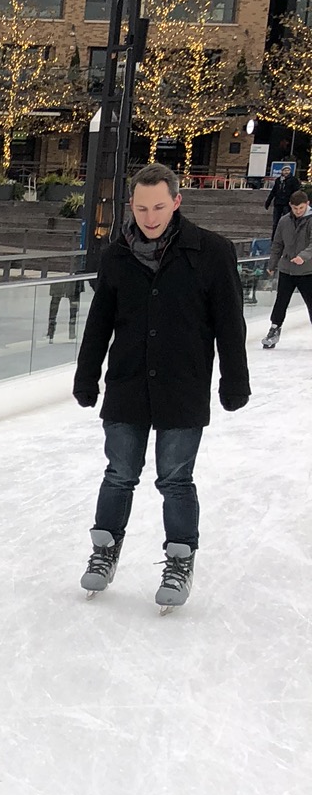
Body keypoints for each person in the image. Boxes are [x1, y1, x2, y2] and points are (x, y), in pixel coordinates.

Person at [74, 163, 249, 609]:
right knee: (119, 474)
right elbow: (99, 324)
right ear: (130, 206)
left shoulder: (211, 252)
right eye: (140, 207)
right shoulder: (116, 256)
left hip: (182, 385)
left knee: (175, 479)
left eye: (158, 207)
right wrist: (86, 375)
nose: (149, 217)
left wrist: (235, 379)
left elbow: (230, 325)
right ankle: (104, 551)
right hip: (128, 384)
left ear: (176, 202)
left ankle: (179, 559)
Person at [262, 186, 312, 347]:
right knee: (281, 301)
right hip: (287, 269)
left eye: (301, 208)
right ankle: (274, 329)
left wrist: (303, 257)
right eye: (295, 208)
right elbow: (277, 244)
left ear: (307, 204)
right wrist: (272, 264)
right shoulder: (284, 221)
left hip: (308, 271)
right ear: (290, 206)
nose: (298, 211)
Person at [263, 164, 301, 238]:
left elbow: (296, 191)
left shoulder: (293, 180)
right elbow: (273, 191)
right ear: (282, 171)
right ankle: (274, 237)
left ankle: (286, 236)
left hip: (287, 204)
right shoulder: (278, 180)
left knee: (287, 221)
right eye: (285, 170)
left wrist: (294, 202)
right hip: (278, 203)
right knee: (275, 222)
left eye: (288, 170)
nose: (286, 172)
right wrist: (268, 201)